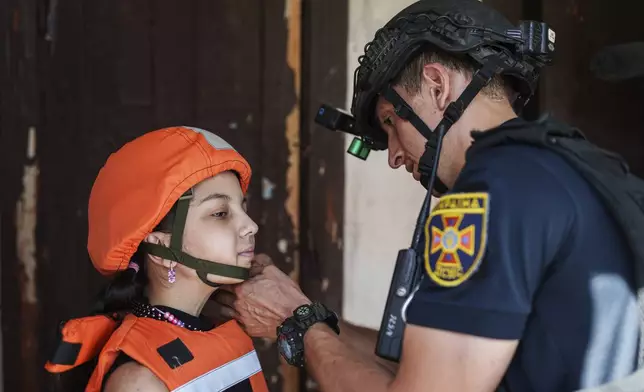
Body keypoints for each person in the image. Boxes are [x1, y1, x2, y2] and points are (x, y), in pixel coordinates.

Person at [212, 0, 643, 391]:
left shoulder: (494, 192)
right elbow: (429, 364)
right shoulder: (566, 166)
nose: (394, 157)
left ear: (437, 87)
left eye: (389, 123)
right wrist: (306, 313)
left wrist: (296, 325)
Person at [44, 126, 269, 392]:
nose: (251, 226)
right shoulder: (139, 382)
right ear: (162, 246)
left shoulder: (219, 331)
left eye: (242, 208)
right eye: (220, 213)